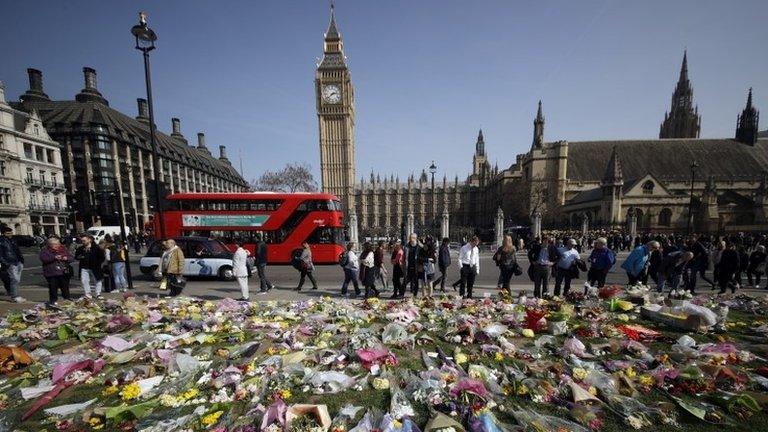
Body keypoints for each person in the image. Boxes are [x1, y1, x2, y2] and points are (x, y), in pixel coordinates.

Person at [40, 235, 74, 307]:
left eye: (57, 244)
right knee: (53, 287)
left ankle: (67, 299)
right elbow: (44, 259)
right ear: (49, 245)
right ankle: (53, 301)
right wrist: (54, 257)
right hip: (51, 273)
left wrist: (66, 258)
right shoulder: (45, 250)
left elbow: (71, 258)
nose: (56, 246)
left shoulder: (63, 249)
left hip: (63, 272)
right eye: (54, 244)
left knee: (65, 287)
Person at [74, 234, 106, 299]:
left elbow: (102, 257)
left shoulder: (96, 248)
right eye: (82, 241)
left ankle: (98, 293)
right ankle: (87, 294)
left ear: (89, 240)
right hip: (84, 267)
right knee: (84, 280)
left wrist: (98, 263)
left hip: (95, 267)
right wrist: (79, 257)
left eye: (84, 240)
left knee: (97, 280)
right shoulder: (80, 249)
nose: (83, 242)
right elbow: (76, 257)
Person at [0, 226, 25, 302]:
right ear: (3, 233)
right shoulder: (1, 242)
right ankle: (15, 296)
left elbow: (17, 250)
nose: (10, 234)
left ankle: (14, 294)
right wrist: (6, 263)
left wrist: (21, 260)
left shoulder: (13, 240)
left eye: (11, 232)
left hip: (18, 262)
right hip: (10, 263)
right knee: (14, 279)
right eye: (8, 233)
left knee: (17, 280)